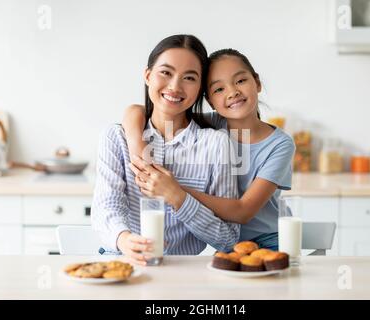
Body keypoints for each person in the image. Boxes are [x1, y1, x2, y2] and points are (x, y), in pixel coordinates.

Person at [124, 48, 295, 251]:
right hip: (227, 243)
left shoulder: (280, 145)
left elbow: (243, 211)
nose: (233, 92)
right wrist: (136, 141)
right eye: (218, 89)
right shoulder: (210, 125)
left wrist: (174, 191)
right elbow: (138, 110)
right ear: (209, 100)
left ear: (256, 83)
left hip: (269, 240)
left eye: (240, 81)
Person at [91, 35, 240, 265]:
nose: (175, 86)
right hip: (123, 265)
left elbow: (229, 239)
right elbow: (105, 209)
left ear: (201, 88)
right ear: (148, 75)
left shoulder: (216, 145)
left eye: (189, 77)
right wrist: (124, 239)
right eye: (166, 72)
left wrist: (178, 197)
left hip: (184, 274)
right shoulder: (118, 138)